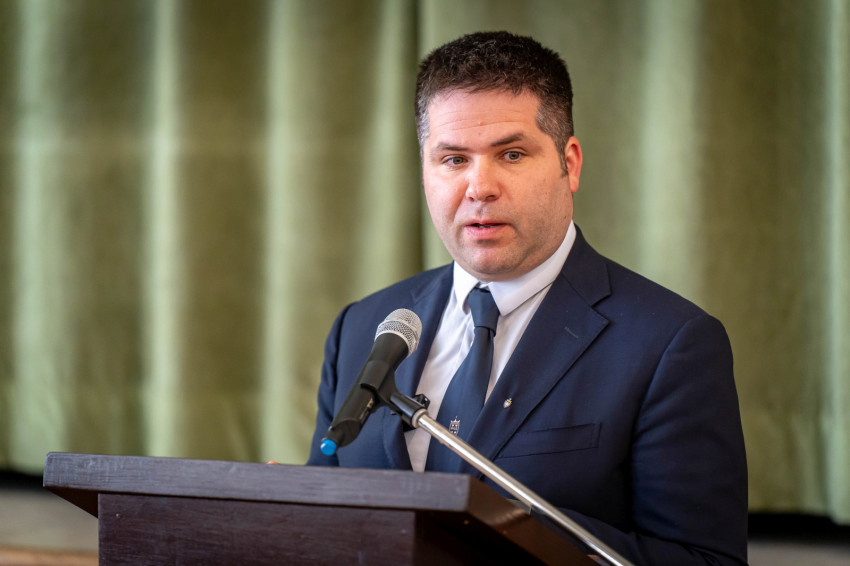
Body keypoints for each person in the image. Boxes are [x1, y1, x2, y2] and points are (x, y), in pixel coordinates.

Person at [307, 31, 748, 566]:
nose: (479, 187)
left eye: (511, 154)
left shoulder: (669, 345)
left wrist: (506, 532)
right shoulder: (364, 327)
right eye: (453, 160)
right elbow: (322, 521)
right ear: (424, 171)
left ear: (570, 164)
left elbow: (703, 560)